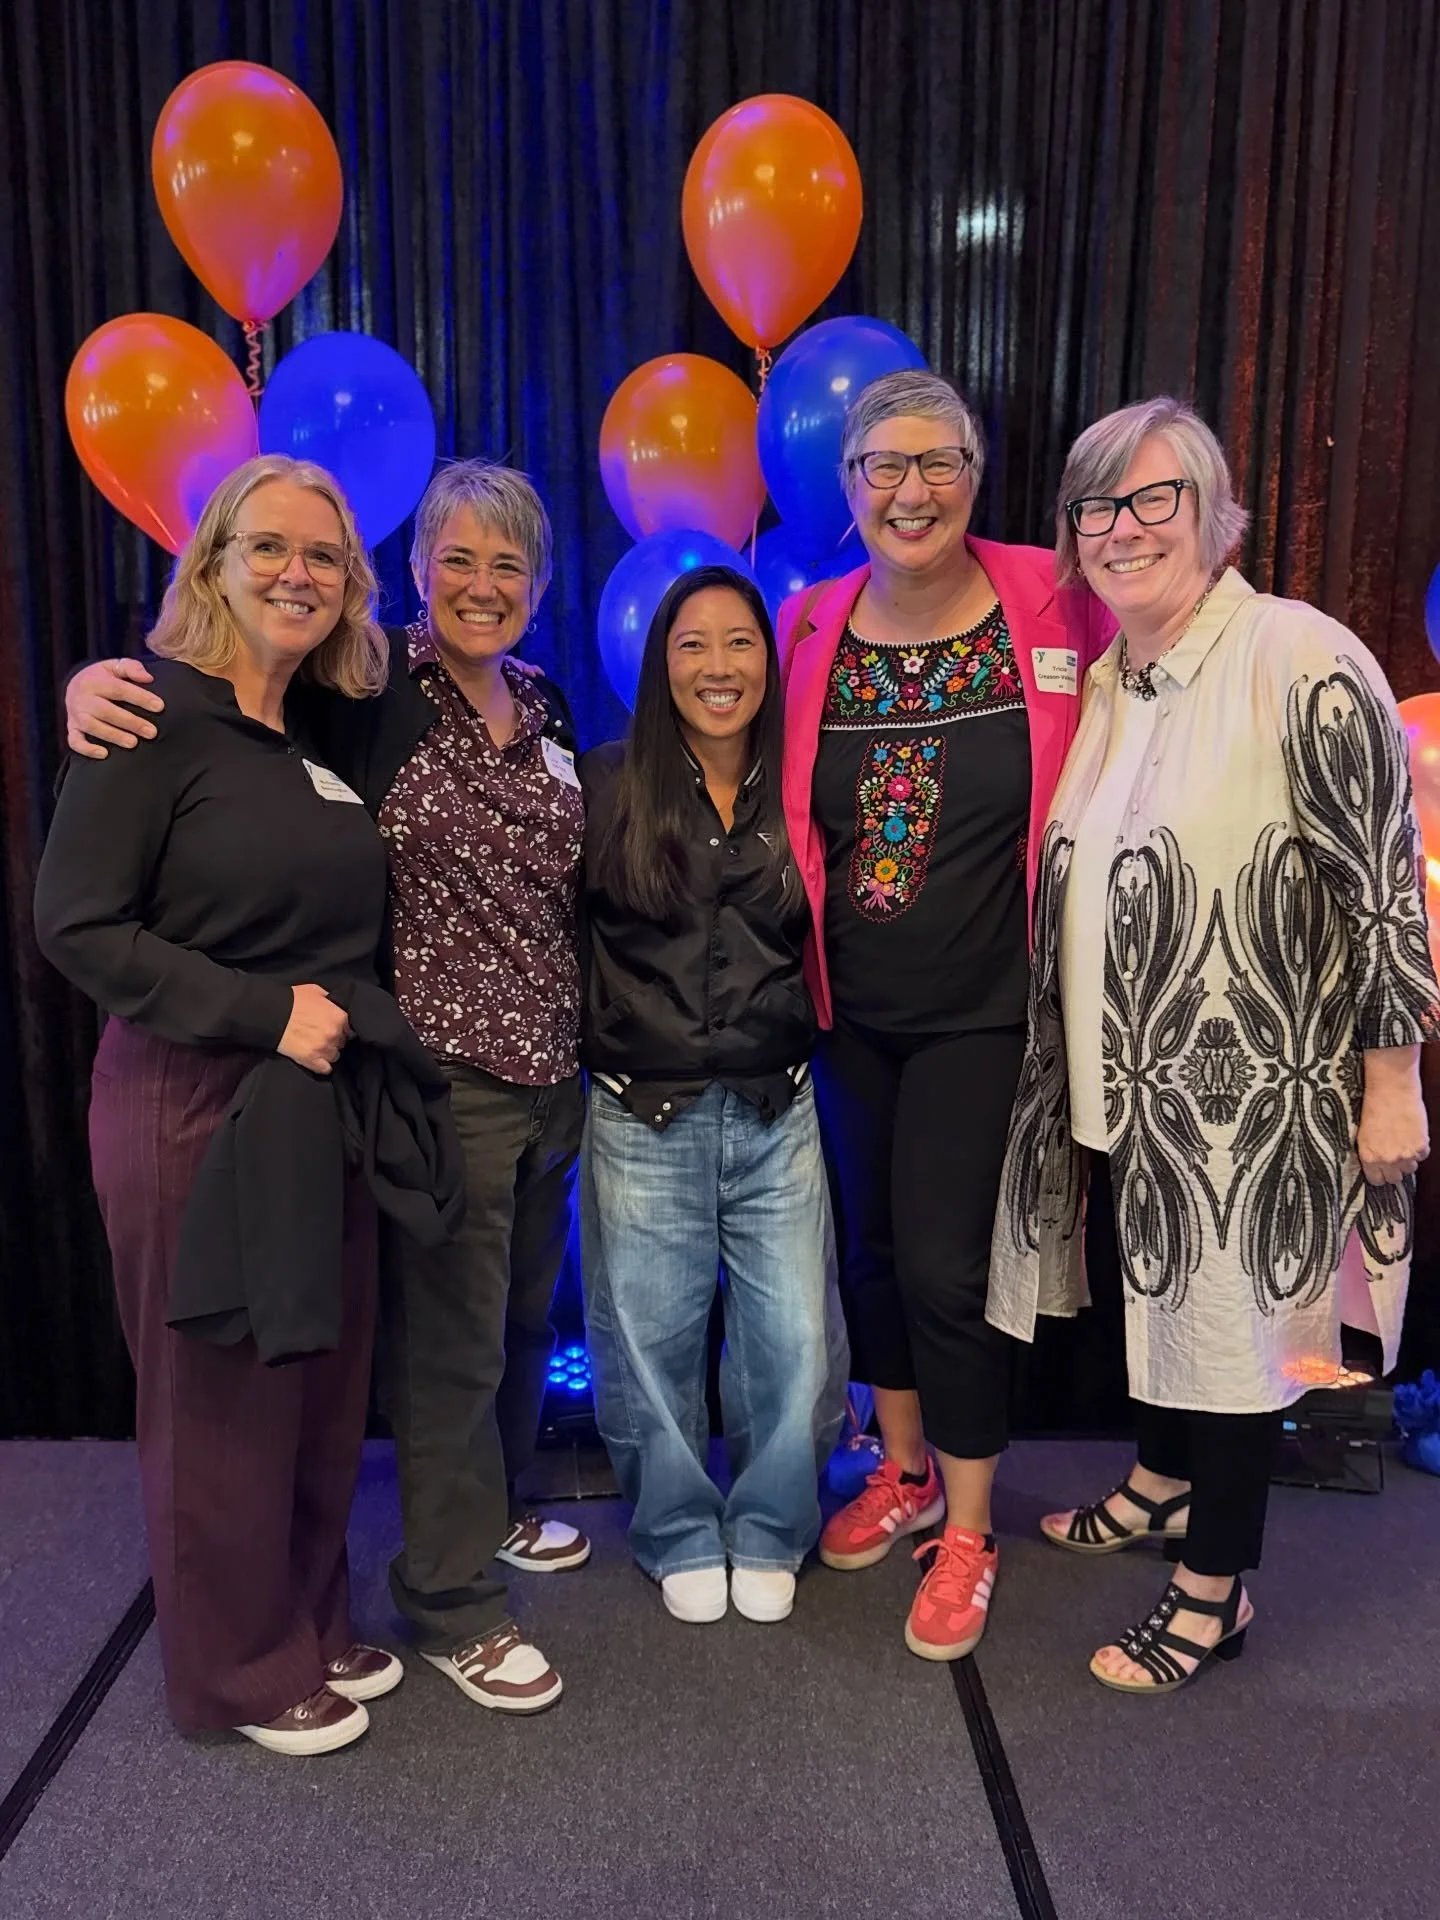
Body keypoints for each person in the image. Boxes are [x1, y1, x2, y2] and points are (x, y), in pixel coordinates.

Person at [63, 460, 589, 1714]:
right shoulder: (370, 692)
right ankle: (438, 1599)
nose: (482, 584)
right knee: (427, 1352)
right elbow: (196, 734)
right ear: (409, 574)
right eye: (457, 559)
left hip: (520, 1074)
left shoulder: (537, 701)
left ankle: (454, 1531)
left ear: (540, 586)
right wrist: (88, 683)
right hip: (424, 1077)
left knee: (481, 1339)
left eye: (509, 564)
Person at [986, 396, 1438, 1692]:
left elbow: (1380, 883)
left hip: (1254, 1097)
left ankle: (1213, 1591)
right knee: (1158, 1294)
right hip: (1129, 1088)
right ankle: (1164, 1478)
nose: (1123, 528)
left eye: (1154, 499)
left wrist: (1394, 1080)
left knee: (1235, 1336)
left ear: (1216, 515)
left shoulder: (1296, 655)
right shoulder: (1115, 678)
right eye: (1097, 506)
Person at [34, 454, 421, 1754]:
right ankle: (236, 1671)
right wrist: (263, 1013)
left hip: (316, 1102)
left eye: (326, 556)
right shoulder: (146, 713)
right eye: (269, 547)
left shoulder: (311, 730)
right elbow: (77, 924)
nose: (297, 573)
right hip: (191, 1101)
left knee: (313, 1378)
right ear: (211, 561)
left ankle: (306, 1619)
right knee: (218, 1399)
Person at [776, 369, 1113, 1661]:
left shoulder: (1055, 596)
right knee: (867, 1256)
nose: (911, 491)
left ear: (975, 476)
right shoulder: (809, 622)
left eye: (939, 463)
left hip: (987, 1012)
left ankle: (969, 1530)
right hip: (847, 1011)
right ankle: (905, 1469)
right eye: (885, 465)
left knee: (943, 1268)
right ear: (849, 484)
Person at [580, 565, 847, 1625]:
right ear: (661, 663)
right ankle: (679, 1529)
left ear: (769, 663)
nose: (719, 666)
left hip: (777, 1105)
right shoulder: (604, 783)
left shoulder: (805, 783)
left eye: (740, 642)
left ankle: (773, 1524)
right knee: (648, 1342)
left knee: (797, 1341)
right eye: (692, 644)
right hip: (641, 1110)